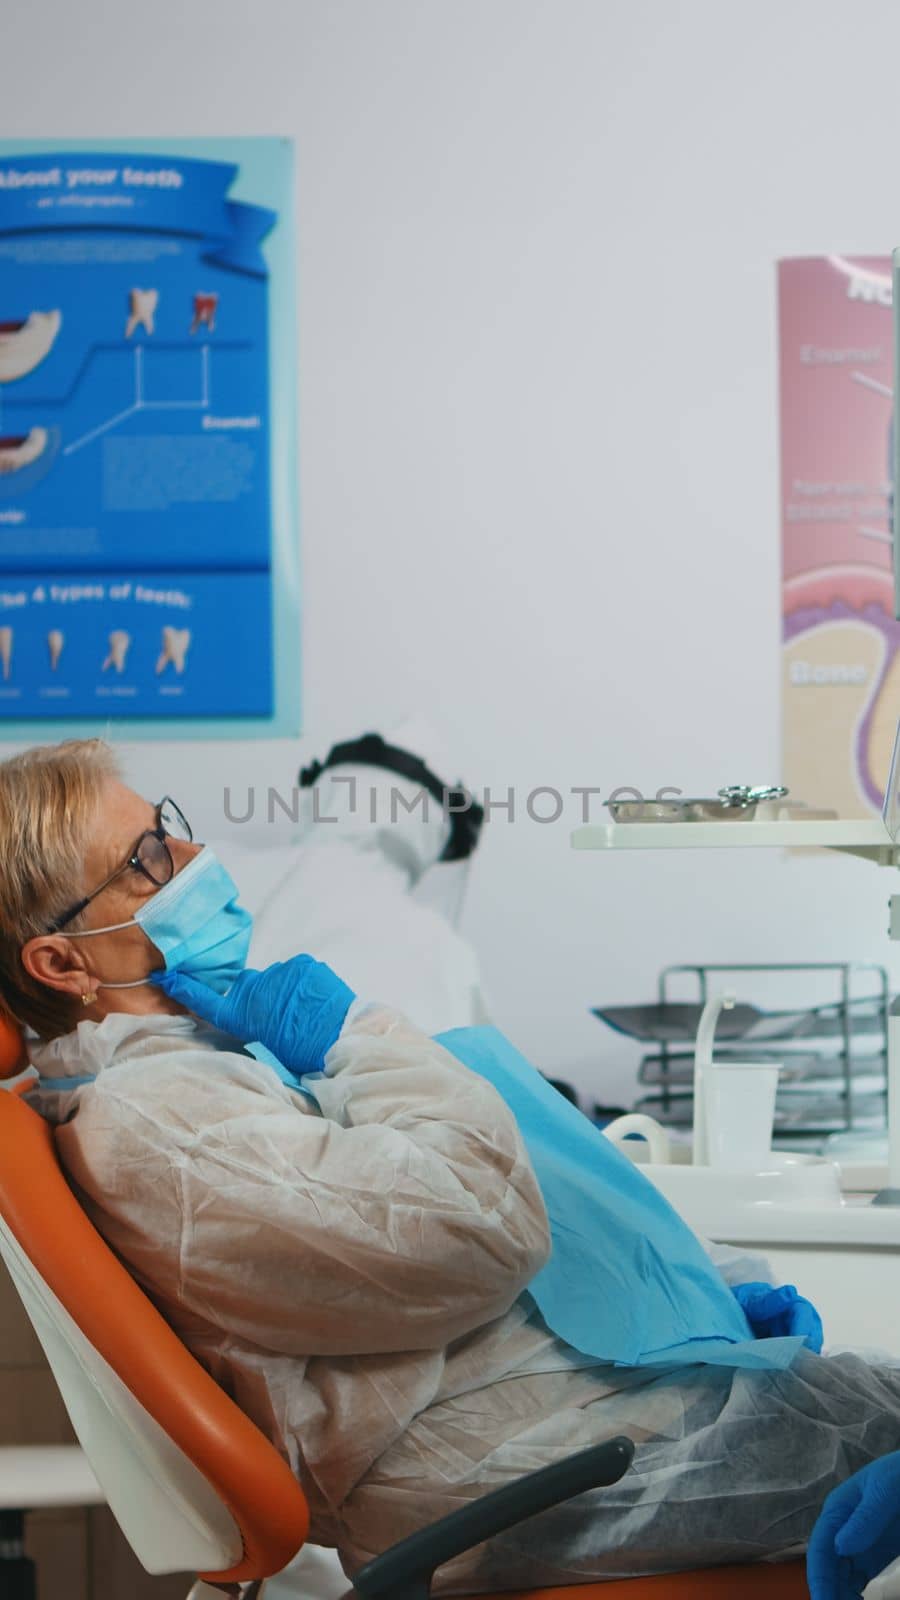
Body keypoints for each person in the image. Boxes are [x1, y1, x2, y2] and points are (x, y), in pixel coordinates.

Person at [6, 737, 900, 1595]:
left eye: (170, 824)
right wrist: (353, 1034)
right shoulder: (160, 1124)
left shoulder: (192, 1072)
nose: (196, 855)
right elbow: (477, 1225)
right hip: (515, 1474)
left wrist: (684, 1295)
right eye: (150, 856)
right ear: (60, 961)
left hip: (548, 1421)